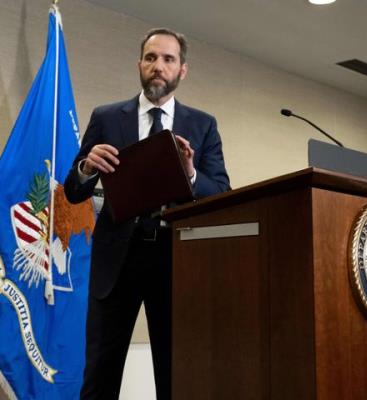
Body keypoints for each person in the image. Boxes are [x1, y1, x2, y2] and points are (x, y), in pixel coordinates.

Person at [64, 28, 230, 400]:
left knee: (174, 377)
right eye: (151, 58)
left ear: (182, 70)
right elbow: (73, 192)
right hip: (116, 262)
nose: (159, 66)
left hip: (175, 263)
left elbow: (221, 192)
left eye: (168, 59)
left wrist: (189, 173)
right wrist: (87, 168)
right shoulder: (107, 117)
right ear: (139, 64)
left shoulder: (203, 126)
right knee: (99, 379)